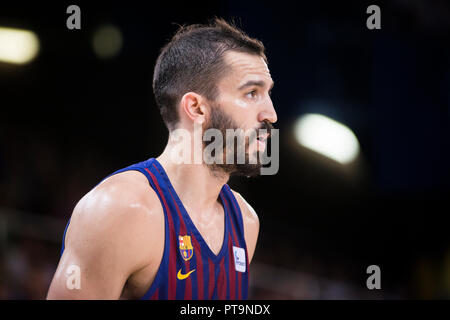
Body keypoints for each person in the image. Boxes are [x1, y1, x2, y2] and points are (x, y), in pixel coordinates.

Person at [47, 17, 277, 300]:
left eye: (268, 93)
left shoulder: (245, 222)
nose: (271, 114)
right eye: (252, 93)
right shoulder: (120, 210)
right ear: (196, 107)